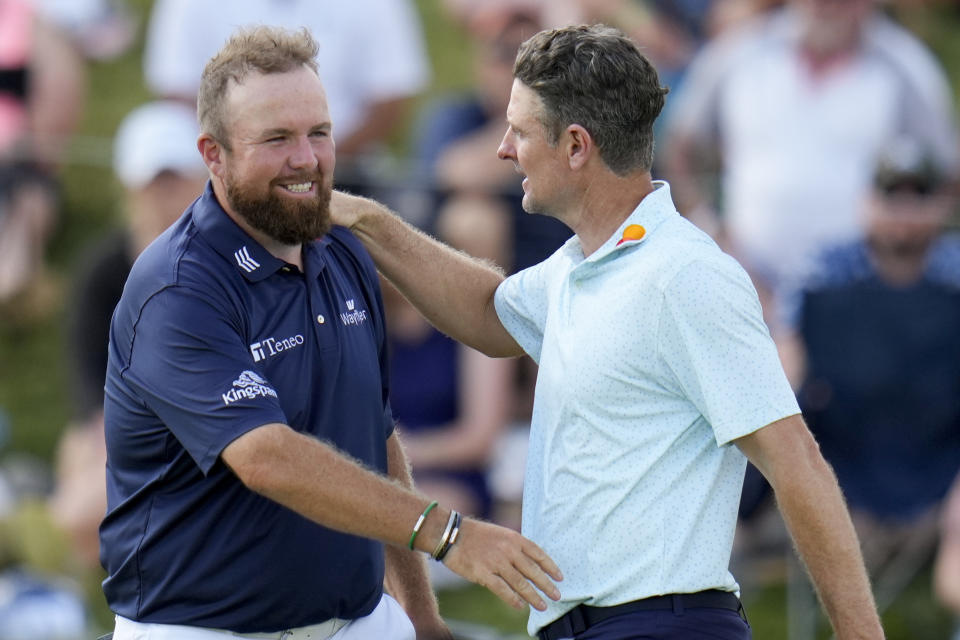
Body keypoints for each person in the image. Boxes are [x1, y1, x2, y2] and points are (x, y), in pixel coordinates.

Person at [331, 23, 884, 640]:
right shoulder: (576, 267)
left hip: (660, 626)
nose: (503, 149)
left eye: (519, 129)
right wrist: (366, 220)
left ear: (575, 146)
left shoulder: (685, 274)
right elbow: (489, 316)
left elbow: (796, 461)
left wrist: (861, 633)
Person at [98, 26, 561, 640]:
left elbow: (373, 433)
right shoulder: (177, 288)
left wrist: (420, 613)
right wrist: (449, 534)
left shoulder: (340, 250)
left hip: (356, 620)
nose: (306, 158)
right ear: (213, 154)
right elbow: (267, 457)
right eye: (276, 138)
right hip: (204, 628)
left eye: (319, 133)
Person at [662, 0, 958, 324]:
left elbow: (946, 175)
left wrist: (899, 257)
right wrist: (712, 235)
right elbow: (680, 148)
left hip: (859, 308)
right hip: (741, 291)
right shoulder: (739, 50)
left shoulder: (906, 64)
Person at [774, 138, 960, 616]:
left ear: (942, 203)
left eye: (917, 196)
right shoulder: (822, 273)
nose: (904, 210)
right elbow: (784, 375)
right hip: (843, 461)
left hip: (945, 461)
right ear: (867, 201)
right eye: (891, 194)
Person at [142, 0, 429, 159]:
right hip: (220, 169)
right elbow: (177, 93)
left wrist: (313, 160)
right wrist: (243, 158)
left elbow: (390, 101)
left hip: (347, 171)